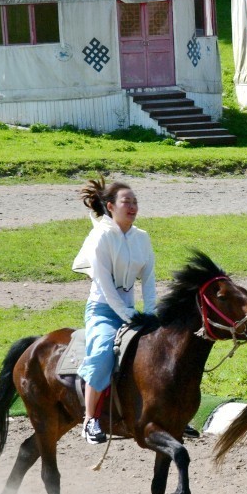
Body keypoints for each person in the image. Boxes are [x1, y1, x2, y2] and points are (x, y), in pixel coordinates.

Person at [71, 177, 157, 444]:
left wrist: (151, 314)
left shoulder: (142, 237)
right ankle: (90, 420)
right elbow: (104, 285)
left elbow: (150, 279)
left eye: (135, 202)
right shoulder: (100, 236)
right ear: (110, 206)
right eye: (126, 202)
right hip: (103, 310)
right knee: (102, 352)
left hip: (133, 310)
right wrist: (129, 316)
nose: (132, 206)